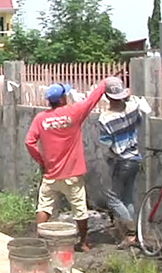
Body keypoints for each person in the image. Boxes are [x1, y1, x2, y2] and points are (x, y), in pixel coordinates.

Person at [24, 78, 108, 252]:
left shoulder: (41, 119)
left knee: (44, 207)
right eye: (65, 95)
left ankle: (39, 241)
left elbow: (29, 142)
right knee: (80, 209)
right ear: (61, 99)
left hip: (51, 174)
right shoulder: (74, 112)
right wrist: (104, 84)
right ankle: (83, 243)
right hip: (72, 174)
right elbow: (91, 100)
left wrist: (42, 161)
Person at [98, 77, 152, 249]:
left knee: (113, 198)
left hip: (120, 161)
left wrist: (108, 159)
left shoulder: (105, 118)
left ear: (106, 96)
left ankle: (130, 231)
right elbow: (139, 123)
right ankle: (133, 236)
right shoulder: (132, 108)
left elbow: (106, 145)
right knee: (127, 198)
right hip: (135, 158)